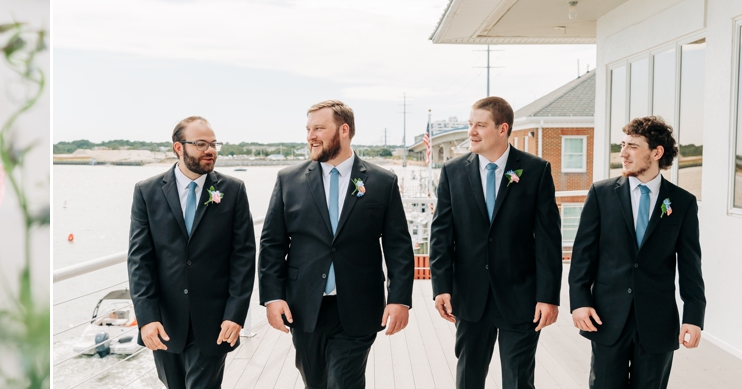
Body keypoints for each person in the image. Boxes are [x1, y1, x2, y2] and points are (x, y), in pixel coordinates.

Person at [259, 100, 414, 389]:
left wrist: (399, 298)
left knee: (343, 382)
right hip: (304, 306)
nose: (310, 136)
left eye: (319, 128)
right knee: (315, 383)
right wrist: (272, 296)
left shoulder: (382, 182)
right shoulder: (288, 180)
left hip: (358, 306)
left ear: (344, 130)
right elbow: (271, 244)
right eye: (308, 129)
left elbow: (398, 246)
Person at [429, 96, 562, 389]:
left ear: (502, 129)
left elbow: (548, 241)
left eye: (480, 125)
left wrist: (548, 296)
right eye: (470, 124)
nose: (471, 132)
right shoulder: (452, 172)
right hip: (470, 296)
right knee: (469, 379)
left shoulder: (536, 170)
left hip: (521, 297)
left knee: (518, 381)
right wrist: (441, 287)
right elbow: (441, 235)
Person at [568, 116, 705, 389]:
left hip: (658, 322)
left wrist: (693, 317)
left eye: (633, 146)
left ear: (656, 152)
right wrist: (580, 300)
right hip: (606, 318)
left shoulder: (682, 203)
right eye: (623, 144)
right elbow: (583, 254)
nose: (623, 153)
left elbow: (691, 266)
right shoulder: (601, 193)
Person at [127, 116, 256, 389]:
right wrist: (147, 318)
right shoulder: (146, 192)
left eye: (213, 144)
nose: (210, 150)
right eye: (200, 144)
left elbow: (243, 256)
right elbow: (140, 261)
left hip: (213, 322)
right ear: (178, 148)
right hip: (164, 323)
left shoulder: (232, 191)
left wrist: (235, 313)